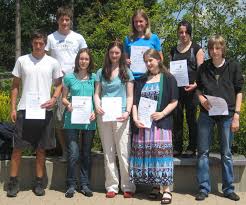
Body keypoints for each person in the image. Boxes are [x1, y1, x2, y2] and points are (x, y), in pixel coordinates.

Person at [6, 31, 63, 197]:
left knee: (41, 149)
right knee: (17, 148)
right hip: (25, 110)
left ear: (45, 44)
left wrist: (54, 99)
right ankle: (13, 182)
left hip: (45, 111)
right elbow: (15, 86)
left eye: (41, 43)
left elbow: (59, 85)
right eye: (35, 43)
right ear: (32, 43)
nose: (38, 46)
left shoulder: (53, 62)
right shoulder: (22, 61)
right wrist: (13, 108)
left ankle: (39, 183)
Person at [195, 35, 244, 201]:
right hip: (206, 114)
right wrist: (201, 99)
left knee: (226, 153)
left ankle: (228, 189)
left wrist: (236, 115)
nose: (214, 51)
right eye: (211, 48)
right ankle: (203, 188)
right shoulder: (203, 68)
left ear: (223, 49)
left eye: (218, 48)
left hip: (227, 114)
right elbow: (198, 89)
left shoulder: (234, 66)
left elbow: (239, 92)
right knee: (202, 152)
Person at [130, 49, 178, 204]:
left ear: (159, 59)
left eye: (151, 60)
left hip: (160, 125)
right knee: (150, 156)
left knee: (161, 156)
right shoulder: (142, 80)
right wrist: (135, 118)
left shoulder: (169, 78)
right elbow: (135, 103)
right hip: (144, 126)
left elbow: (174, 101)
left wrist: (162, 113)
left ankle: (167, 189)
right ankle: (155, 186)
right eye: (146, 61)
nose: (148, 63)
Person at [45, 6, 88, 161]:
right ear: (57, 20)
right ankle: (65, 152)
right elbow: (46, 59)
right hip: (58, 84)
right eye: (61, 19)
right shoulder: (50, 38)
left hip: (77, 83)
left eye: (67, 19)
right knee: (59, 120)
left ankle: (80, 152)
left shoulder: (78, 37)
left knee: (80, 117)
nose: (64, 22)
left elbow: (86, 58)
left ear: (70, 21)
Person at [94, 40, 136, 198]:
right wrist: (97, 105)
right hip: (104, 115)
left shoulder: (126, 71)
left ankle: (128, 186)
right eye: (112, 52)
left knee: (124, 151)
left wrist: (127, 112)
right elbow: (97, 93)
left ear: (121, 54)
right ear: (108, 53)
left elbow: (130, 95)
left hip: (121, 116)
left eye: (117, 53)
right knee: (108, 151)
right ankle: (111, 186)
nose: (114, 55)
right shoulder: (101, 71)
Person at [62, 48, 96, 198]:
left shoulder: (94, 78)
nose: (83, 61)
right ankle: (70, 184)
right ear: (77, 60)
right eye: (81, 58)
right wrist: (67, 104)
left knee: (86, 153)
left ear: (90, 61)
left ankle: (85, 184)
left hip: (89, 120)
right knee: (74, 153)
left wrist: (95, 110)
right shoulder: (69, 78)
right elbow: (63, 98)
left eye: (86, 59)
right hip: (71, 119)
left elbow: (97, 97)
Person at [170, 20, 204, 157]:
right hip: (177, 90)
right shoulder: (173, 50)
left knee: (191, 119)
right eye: (180, 32)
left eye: (185, 32)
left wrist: (195, 85)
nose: (183, 34)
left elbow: (202, 71)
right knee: (177, 119)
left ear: (189, 32)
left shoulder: (196, 48)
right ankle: (177, 147)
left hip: (192, 89)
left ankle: (192, 147)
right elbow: (170, 70)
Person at [124, 9, 163, 79]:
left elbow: (160, 59)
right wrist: (126, 61)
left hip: (150, 77)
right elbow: (124, 59)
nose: (138, 24)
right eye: (136, 22)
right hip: (132, 79)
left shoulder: (154, 38)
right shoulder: (128, 39)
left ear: (146, 22)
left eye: (141, 21)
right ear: (133, 23)